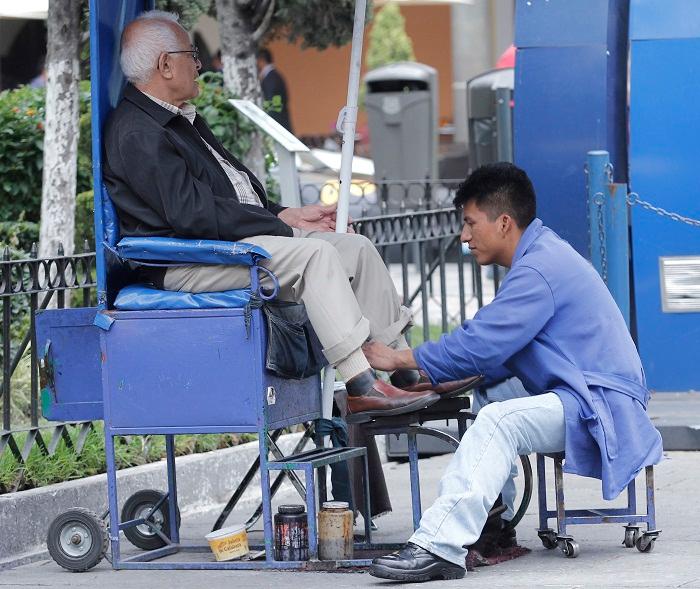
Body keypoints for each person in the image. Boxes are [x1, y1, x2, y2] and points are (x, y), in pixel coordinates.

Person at [102, 10, 471, 421]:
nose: (199, 64)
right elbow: (194, 217)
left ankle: (403, 372)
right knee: (317, 257)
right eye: (191, 54)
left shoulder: (177, 119)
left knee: (356, 249)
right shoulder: (139, 131)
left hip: (226, 245)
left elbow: (231, 198)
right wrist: (285, 227)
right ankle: (361, 384)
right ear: (165, 64)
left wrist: (286, 213)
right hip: (188, 260)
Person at [363, 162, 663, 582]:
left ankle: (438, 546)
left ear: (504, 222)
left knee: (499, 419)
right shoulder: (541, 256)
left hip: (601, 404)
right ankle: (492, 523)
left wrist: (398, 359)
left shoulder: (539, 269)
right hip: (585, 394)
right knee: (491, 395)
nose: (464, 236)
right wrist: (429, 377)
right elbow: (494, 359)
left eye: (470, 223)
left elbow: (481, 343)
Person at [256, 47, 293, 132]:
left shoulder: (271, 77)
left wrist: (266, 117)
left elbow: (273, 101)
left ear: (261, 59)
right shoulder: (273, 76)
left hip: (277, 125)